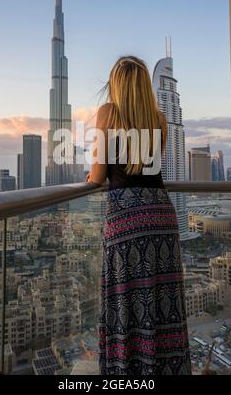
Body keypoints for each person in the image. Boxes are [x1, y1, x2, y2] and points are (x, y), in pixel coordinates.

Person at [86, 56, 192, 375]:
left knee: (127, 303)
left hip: (126, 218)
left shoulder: (107, 113)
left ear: (116, 86)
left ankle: (128, 372)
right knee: (163, 302)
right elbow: (148, 165)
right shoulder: (159, 119)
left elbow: (97, 175)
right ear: (145, 86)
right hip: (161, 215)